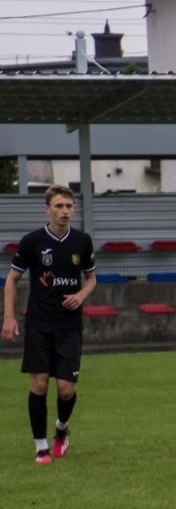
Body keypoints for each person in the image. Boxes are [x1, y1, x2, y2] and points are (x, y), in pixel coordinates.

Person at [2, 185, 96, 464]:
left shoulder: (82, 241)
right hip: (39, 324)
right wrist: (9, 317)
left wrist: (80, 295)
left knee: (66, 389)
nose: (65, 211)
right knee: (40, 384)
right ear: (47, 209)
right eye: (59, 206)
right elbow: (11, 280)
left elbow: (91, 278)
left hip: (69, 327)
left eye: (69, 206)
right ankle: (41, 446)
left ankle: (61, 429)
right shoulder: (32, 241)